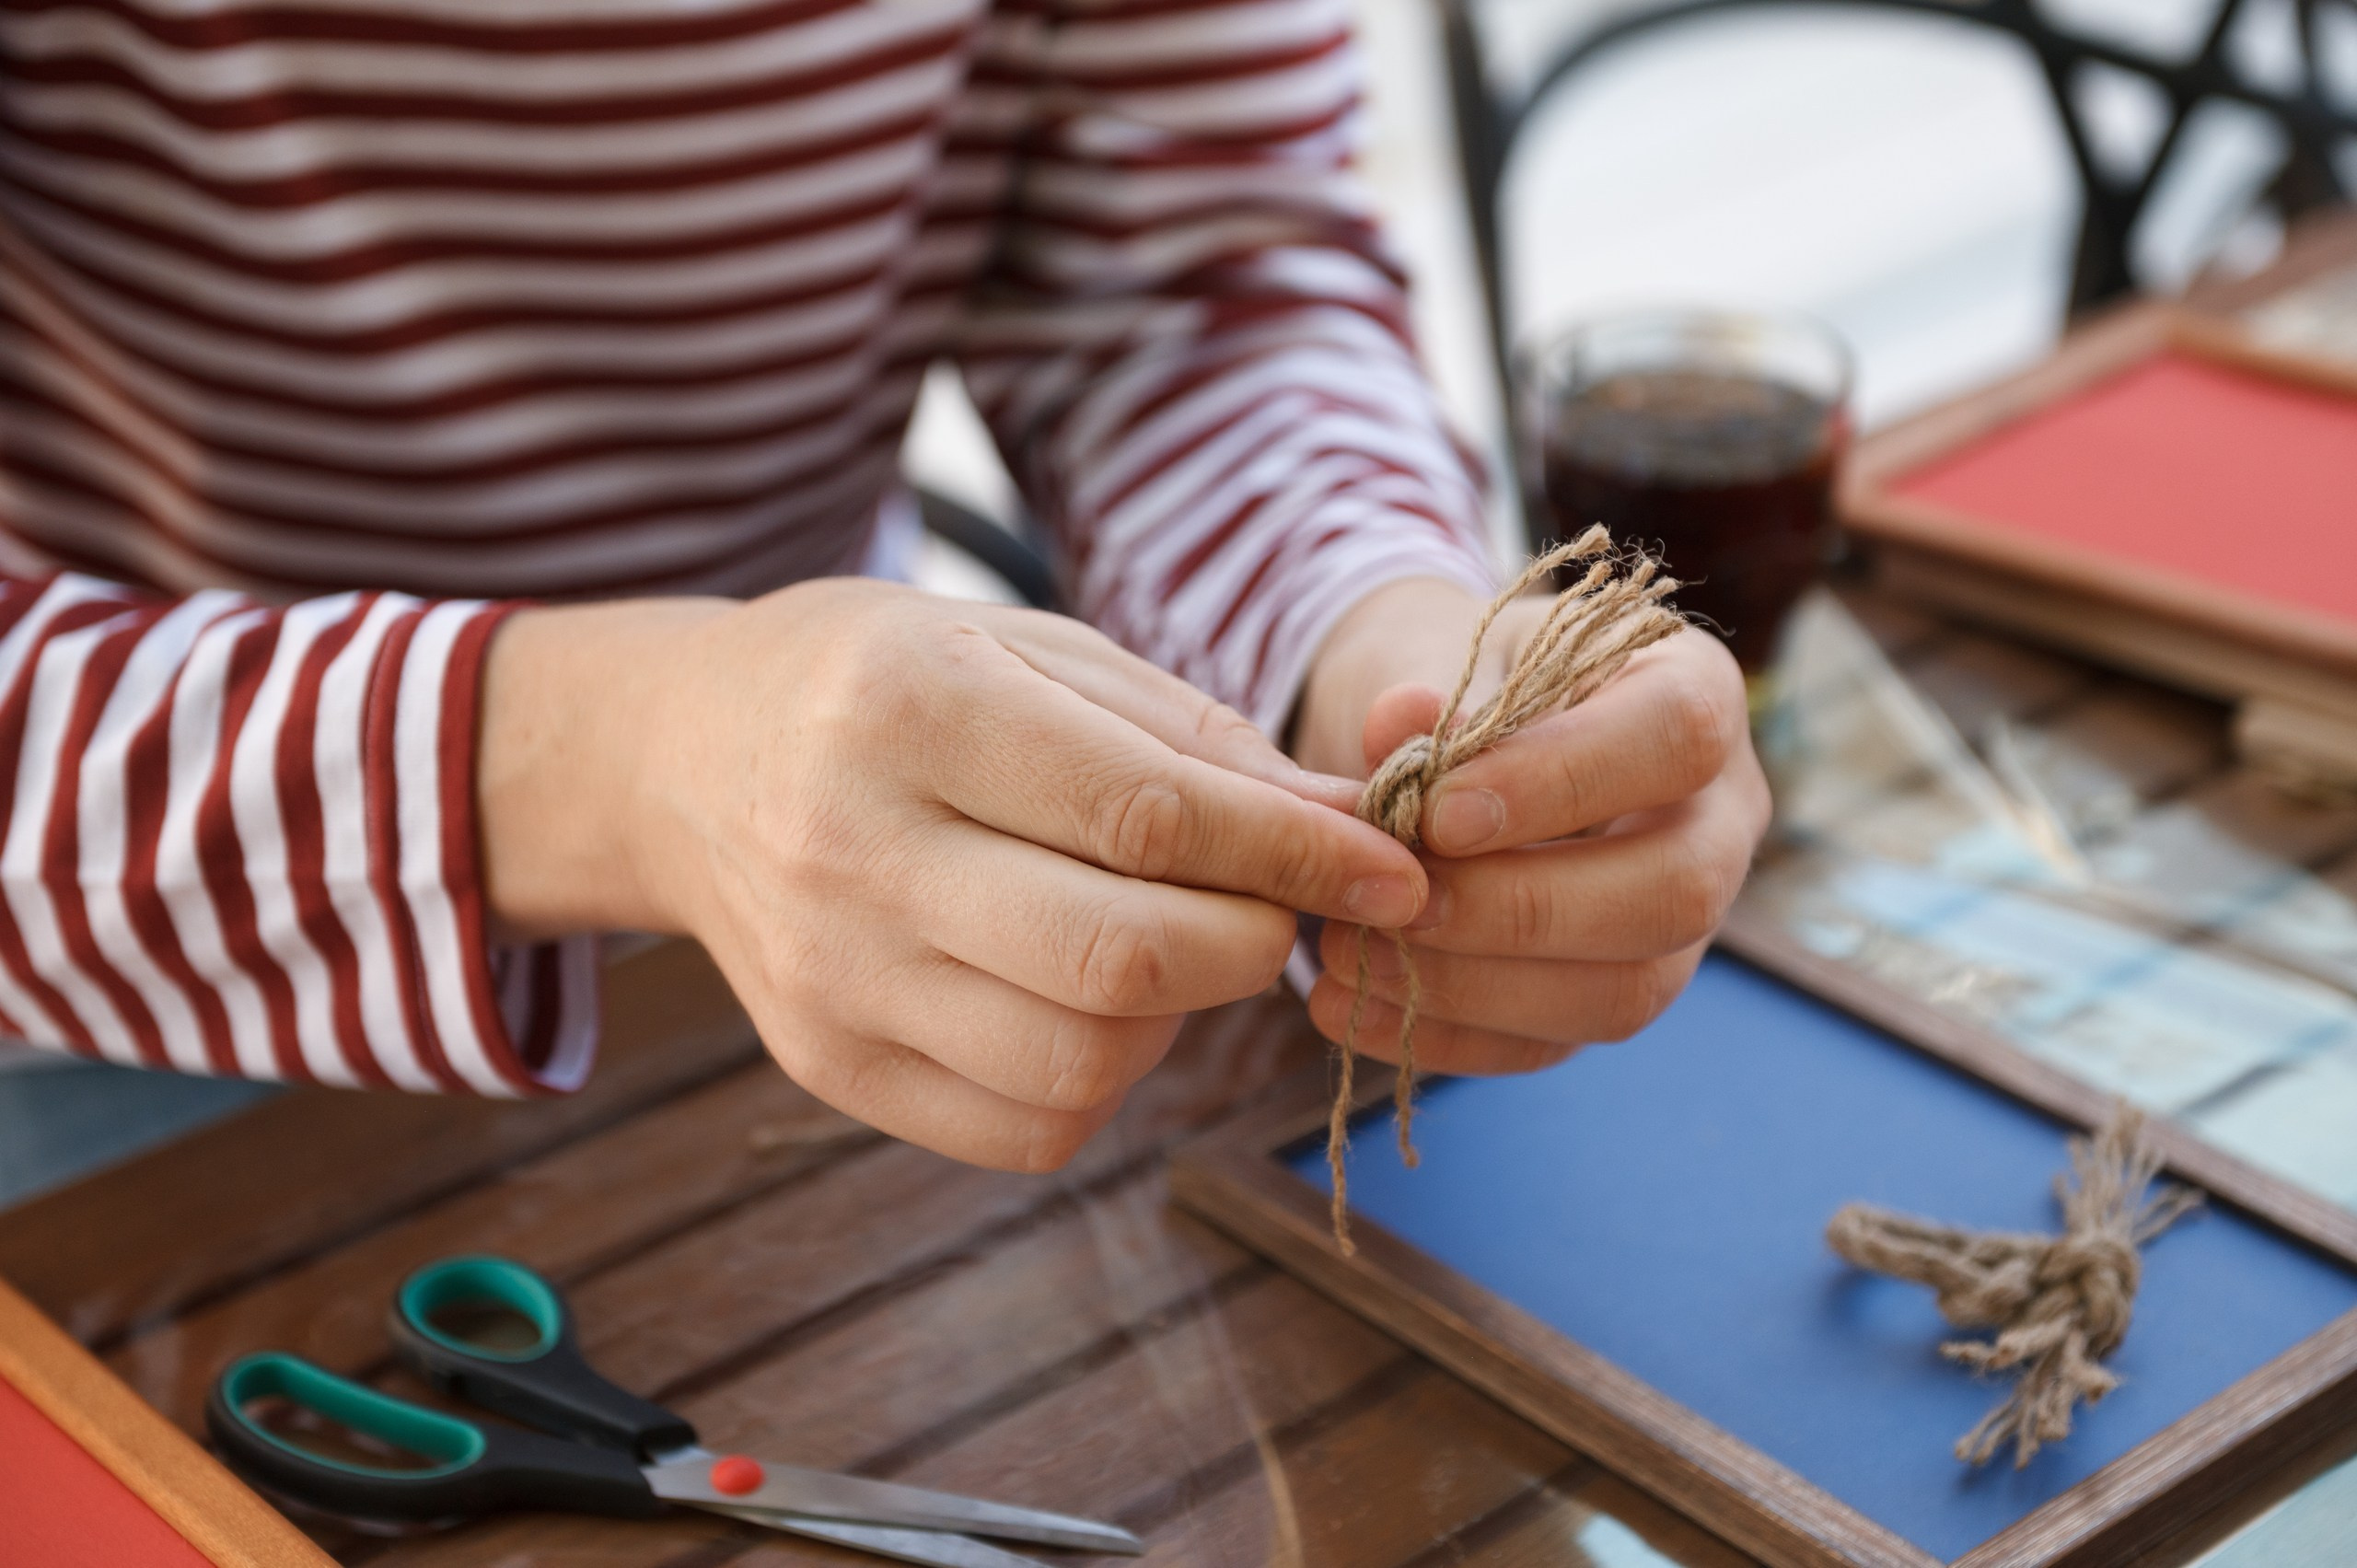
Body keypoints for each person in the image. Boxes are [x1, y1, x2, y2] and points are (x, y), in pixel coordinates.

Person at [0, 0, 1769, 1174]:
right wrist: (623, 766)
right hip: (125, 994)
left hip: (899, 933)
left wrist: (1370, 632)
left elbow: (1187, 285)